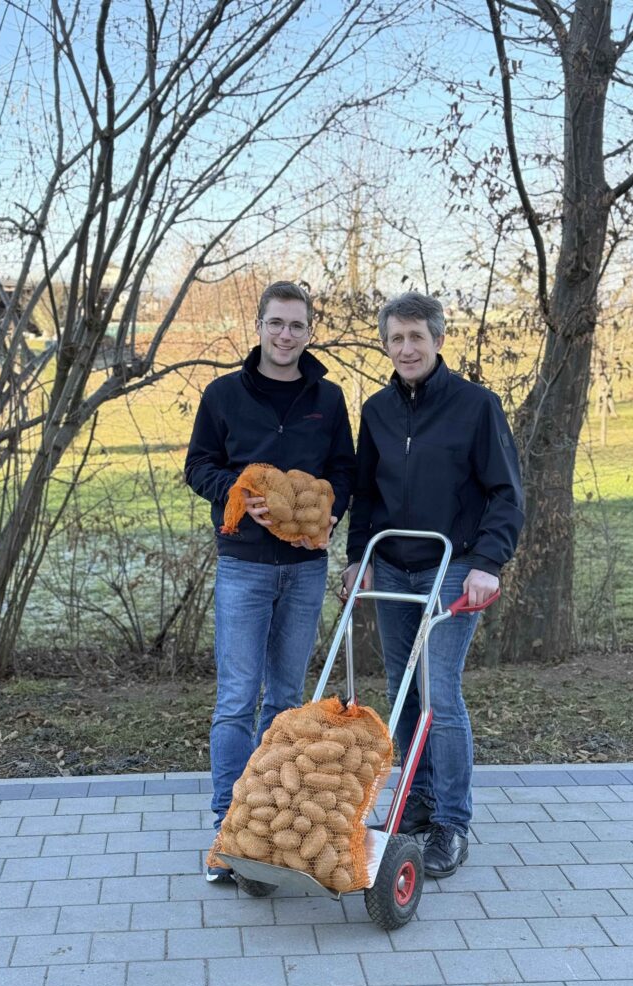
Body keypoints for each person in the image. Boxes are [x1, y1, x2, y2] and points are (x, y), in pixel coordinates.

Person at [343, 291, 523, 878]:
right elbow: (365, 493)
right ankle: (416, 802)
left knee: (439, 695)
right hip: (392, 565)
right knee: (404, 692)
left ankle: (451, 821)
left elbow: (504, 493)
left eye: (416, 336)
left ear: (439, 340)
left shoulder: (476, 406)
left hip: (453, 565)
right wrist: (356, 557)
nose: (406, 348)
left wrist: (488, 562)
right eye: (396, 338)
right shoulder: (376, 411)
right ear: (386, 344)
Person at [185, 280, 355, 882]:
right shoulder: (223, 395)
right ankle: (225, 829)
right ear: (258, 327)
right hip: (244, 565)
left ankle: (268, 828)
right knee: (236, 699)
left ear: (310, 333)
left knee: (285, 701)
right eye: (277, 323)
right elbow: (198, 465)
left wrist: (332, 508)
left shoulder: (327, 399)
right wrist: (237, 494)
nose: (286, 335)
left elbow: (344, 469)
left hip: (306, 567)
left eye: (298, 326)